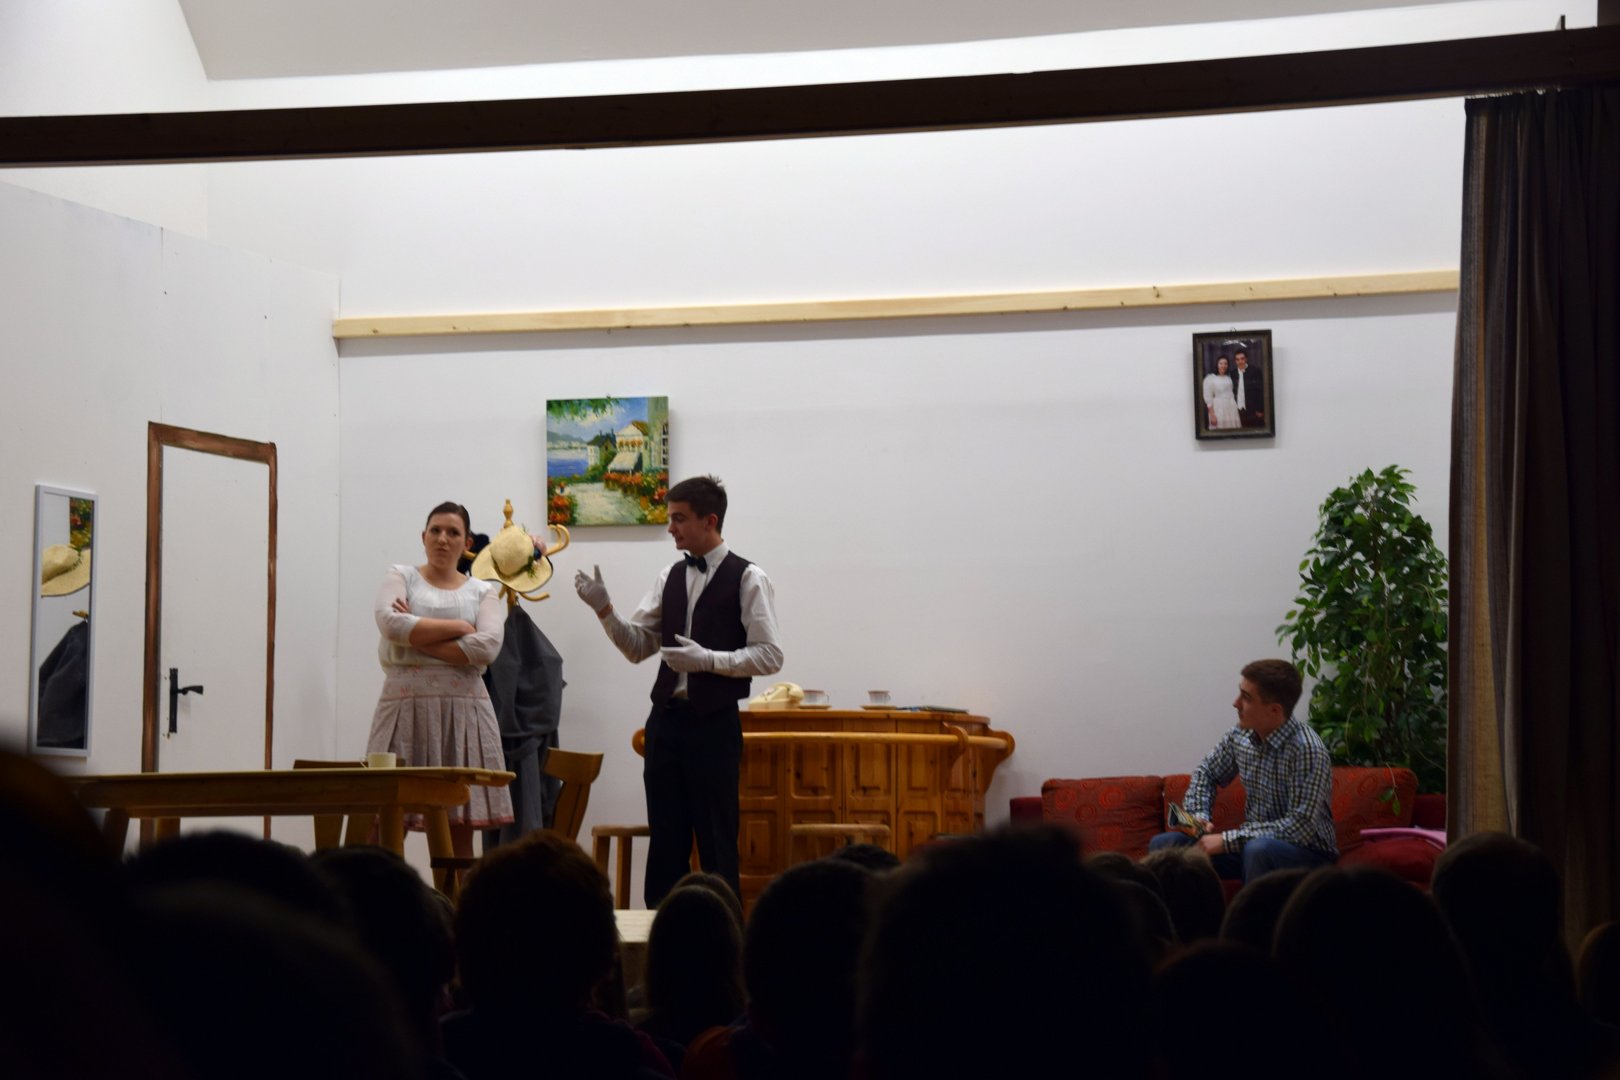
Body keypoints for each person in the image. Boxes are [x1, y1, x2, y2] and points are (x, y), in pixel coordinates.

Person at [574, 475, 783, 907]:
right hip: (665, 724)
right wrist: (605, 610)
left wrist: (708, 660)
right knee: (665, 845)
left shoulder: (749, 577)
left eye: (679, 518)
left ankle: (724, 939)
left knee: (717, 843)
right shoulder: (669, 576)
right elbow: (637, 647)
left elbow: (770, 655)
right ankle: (659, 938)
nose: (670, 528)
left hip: (714, 726)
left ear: (710, 521)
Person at [367, 501, 512, 858]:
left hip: (463, 713)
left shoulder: (483, 591)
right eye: (435, 530)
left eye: (453, 532)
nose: (443, 539)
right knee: (383, 820)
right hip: (404, 707)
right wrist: (460, 626)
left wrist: (415, 635)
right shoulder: (401, 575)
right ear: (423, 536)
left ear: (467, 544)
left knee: (459, 823)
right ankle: (373, 892)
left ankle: (455, 896)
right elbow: (390, 623)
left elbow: (487, 647)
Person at [1147, 659, 1336, 883]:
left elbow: (1300, 827)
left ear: (1274, 710)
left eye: (1246, 697)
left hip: (1309, 854)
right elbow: (1206, 772)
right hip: (1252, 847)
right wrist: (1199, 816)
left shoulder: (1307, 750)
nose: (1235, 703)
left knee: (1259, 850)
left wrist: (1227, 841)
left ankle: (1252, 908)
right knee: (1165, 847)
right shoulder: (1241, 736)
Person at [1202, 355, 1242, 430]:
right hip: (1219, 407)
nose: (1223, 366)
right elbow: (1208, 398)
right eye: (1221, 363)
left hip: (1231, 406)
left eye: (1225, 363)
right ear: (1217, 365)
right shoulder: (1210, 378)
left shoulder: (1229, 377)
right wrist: (1212, 415)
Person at [1232, 349, 1266, 428]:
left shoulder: (1255, 371)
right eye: (1237, 359)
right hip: (1237, 410)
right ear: (1235, 361)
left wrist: (1260, 409)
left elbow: (1260, 392)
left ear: (1246, 359)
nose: (1240, 361)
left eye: (1242, 359)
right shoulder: (1233, 373)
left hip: (1252, 410)